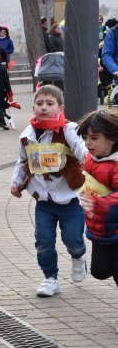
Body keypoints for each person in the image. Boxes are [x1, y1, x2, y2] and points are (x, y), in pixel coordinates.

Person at [10, 85, 88, 297]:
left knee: (73, 240)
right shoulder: (27, 135)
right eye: (40, 103)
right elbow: (22, 161)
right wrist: (16, 182)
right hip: (43, 202)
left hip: (70, 199)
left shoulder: (69, 130)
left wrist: (93, 165)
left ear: (60, 107)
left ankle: (79, 256)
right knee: (43, 242)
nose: (44, 107)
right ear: (33, 106)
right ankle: (50, 278)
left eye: (50, 103)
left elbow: (82, 151)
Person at [76, 109, 118, 290]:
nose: (87, 143)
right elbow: (89, 181)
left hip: (115, 226)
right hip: (99, 226)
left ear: (111, 138)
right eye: (85, 137)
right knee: (99, 271)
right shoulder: (90, 158)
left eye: (94, 138)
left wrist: (100, 204)